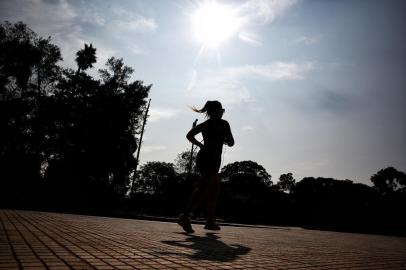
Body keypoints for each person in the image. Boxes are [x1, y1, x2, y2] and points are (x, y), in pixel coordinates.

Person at [178, 100, 234, 233]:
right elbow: (231, 142)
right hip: (210, 159)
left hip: (206, 157)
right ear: (217, 111)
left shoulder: (206, 124)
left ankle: (209, 221)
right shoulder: (224, 124)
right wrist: (224, 140)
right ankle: (185, 216)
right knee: (203, 188)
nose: (222, 113)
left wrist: (201, 145)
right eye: (221, 110)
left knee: (213, 190)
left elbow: (189, 135)